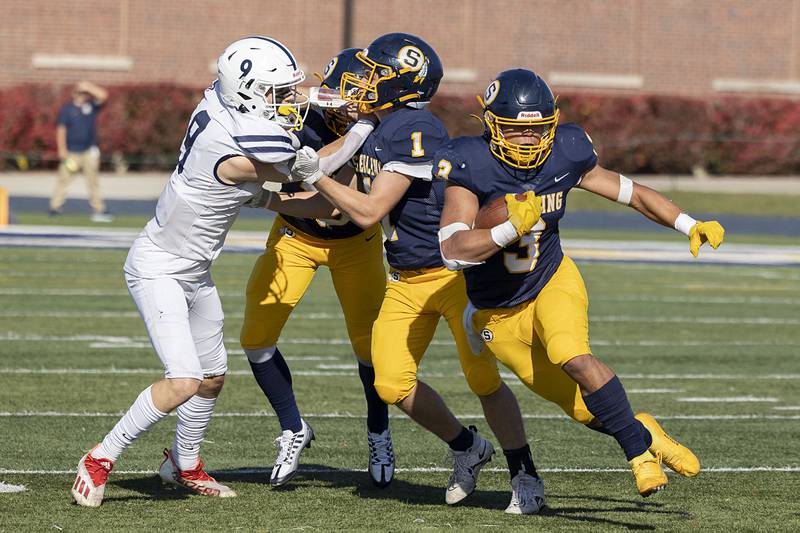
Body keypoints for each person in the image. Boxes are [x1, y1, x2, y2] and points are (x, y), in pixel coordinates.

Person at [436, 69, 725, 498]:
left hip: (551, 279)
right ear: (493, 126)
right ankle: (647, 434)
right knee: (579, 406)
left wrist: (689, 223)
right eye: (517, 131)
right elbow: (451, 248)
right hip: (498, 309)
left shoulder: (567, 150)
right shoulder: (470, 162)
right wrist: (506, 230)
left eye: (538, 130)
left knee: (571, 354)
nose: (530, 140)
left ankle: (639, 457)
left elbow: (632, 193)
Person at [290, 34, 546, 514]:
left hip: (451, 275)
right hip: (406, 277)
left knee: (483, 380)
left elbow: (367, 212)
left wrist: (313, 173)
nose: (365, 80)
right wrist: (267, 197)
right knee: (390, 383)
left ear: (401, 84)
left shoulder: (416, 127)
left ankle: (524, 472)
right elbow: (339, 201)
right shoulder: (378, 123)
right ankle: (467, 446)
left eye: (375, 72)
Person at [70, 36, 312, 507]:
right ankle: (100, 457)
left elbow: (280, 182)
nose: (286, 103)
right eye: (277, 93)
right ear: (247, 89)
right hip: (159, 268)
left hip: (193, 270)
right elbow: (299, 162)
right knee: (184, 381)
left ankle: (183, 464)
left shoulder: (223, 107)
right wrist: (362, 134)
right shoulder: (231, 142)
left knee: (212, 377)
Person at [239, 48, 394, 488]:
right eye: (341, 91)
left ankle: (379, 430)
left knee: (370, 349)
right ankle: (293, 427)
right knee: (255, 338)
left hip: (355, 244)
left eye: (355, 94)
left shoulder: (388, 133)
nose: (342, 100)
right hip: (294, 236)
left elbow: (334, 201)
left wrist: (270, 198)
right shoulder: (301, 112)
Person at [51, 81, 114, 222]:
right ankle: (55, 207)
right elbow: (61, 129)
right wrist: (62, 150)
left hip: (88, 151)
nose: (81, 95)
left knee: (93, 181)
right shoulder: (67, 110)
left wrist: (88, 87)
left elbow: (104, 96)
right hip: (71, 152)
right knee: (63, 180)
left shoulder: (90, 106)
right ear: (73, 93)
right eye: (79, 92)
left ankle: (99, 209)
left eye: (84, 93)